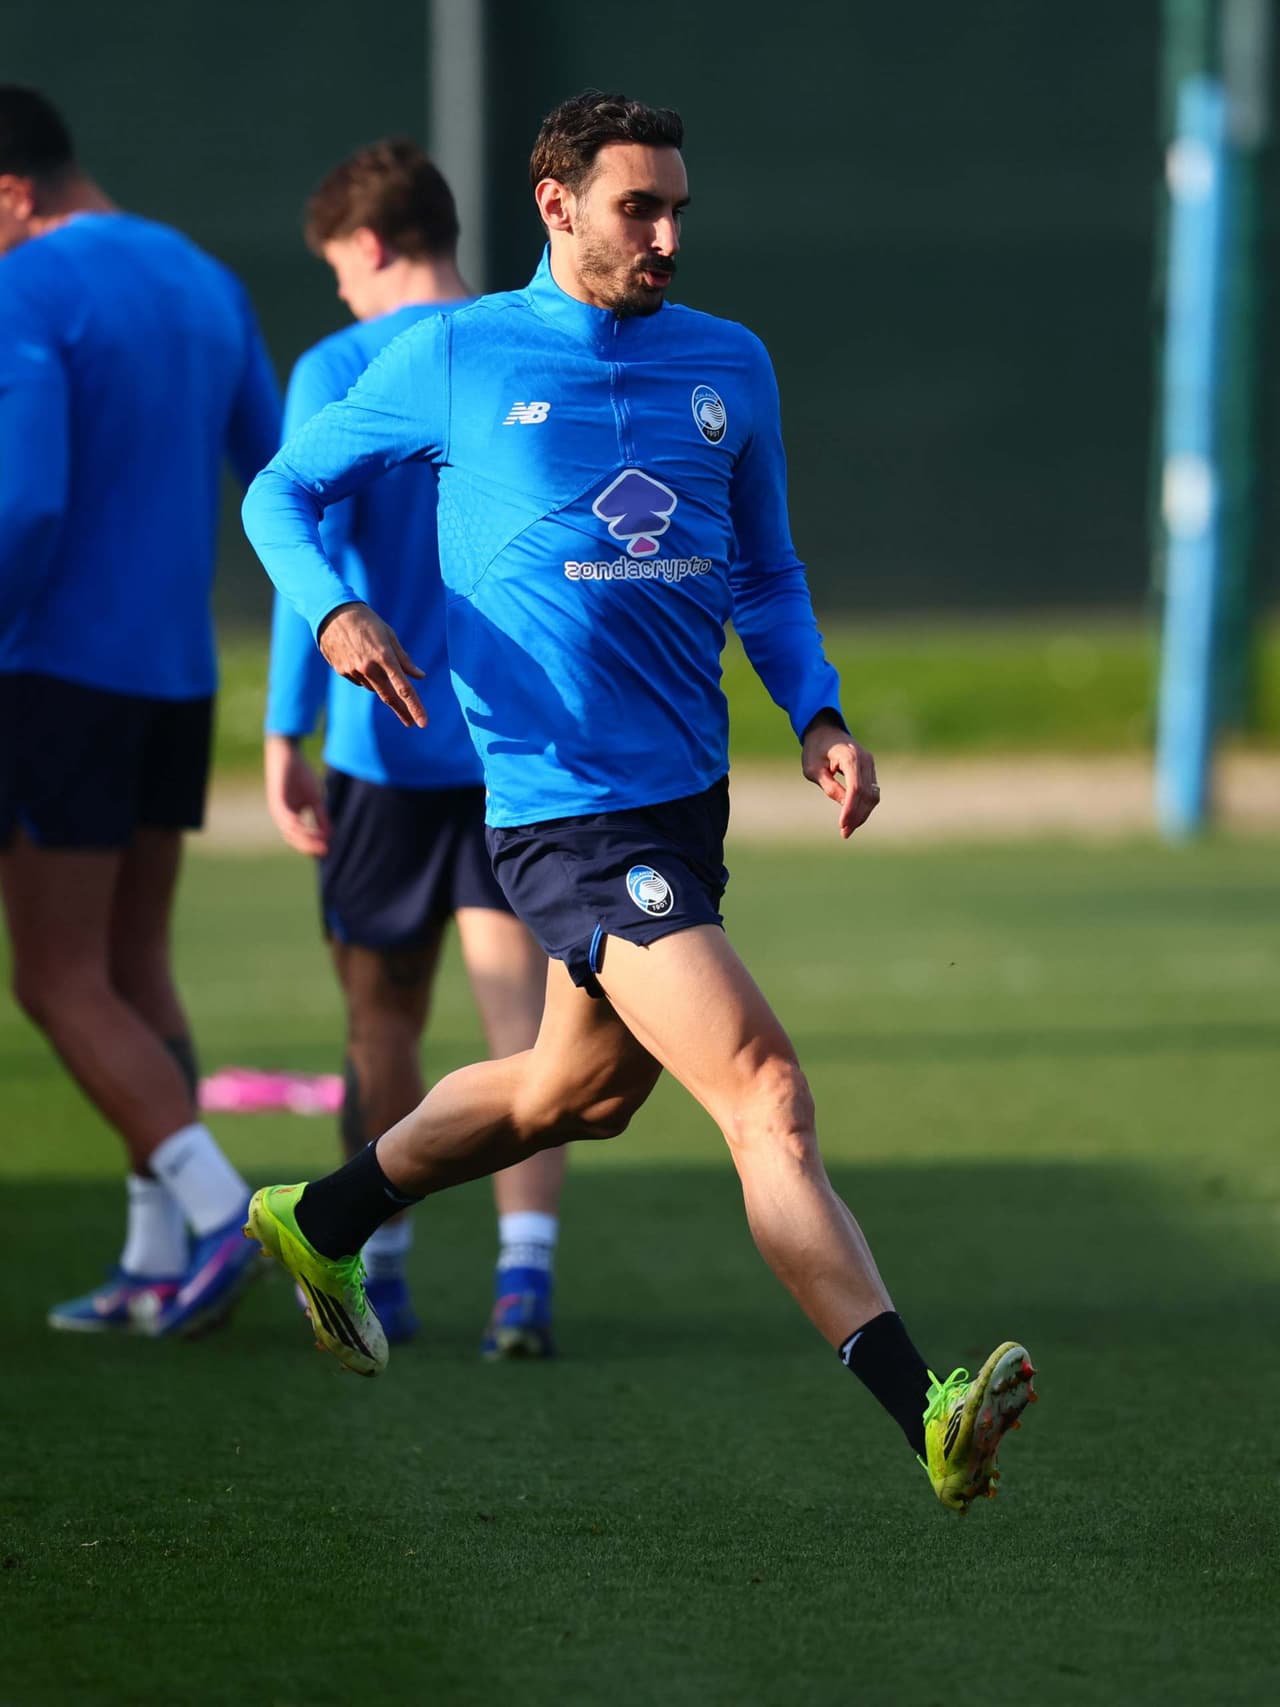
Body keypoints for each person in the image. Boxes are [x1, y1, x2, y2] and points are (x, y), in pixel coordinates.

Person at [242, 91, 1037, 1512]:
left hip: (683, 803)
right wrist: (335, 613)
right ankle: (924, 1402)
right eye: (638, 208)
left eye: (679, 207)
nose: (667, 235)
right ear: (557, 207)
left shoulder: (729, 363)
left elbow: (769, 573)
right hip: (566, 813)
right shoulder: (455, 353)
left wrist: (822, 709)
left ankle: (323, 1212)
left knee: (575, 1093)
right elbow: (279, 495)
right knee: (765, 1090)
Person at [264, 140, 563, 1355]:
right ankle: (524, 1282)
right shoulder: (521, 341)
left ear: (372, 245)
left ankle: (375, 1267)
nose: (339, 290)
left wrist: (286, 729)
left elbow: (305, 557)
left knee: (380, 1017)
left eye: (339, 264)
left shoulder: (340, 363)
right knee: (526, 1036)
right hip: (513, 751)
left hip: (380, 755)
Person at [0, 87, 280, 1337]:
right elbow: (279, 474)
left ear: (11, 195)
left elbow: (22, 507)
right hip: (176, 675)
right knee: (131, 966)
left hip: (54, 673)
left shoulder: (29, 290)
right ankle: (153, 1259)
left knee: (58, 979)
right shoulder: (207, 281)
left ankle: (223, 1214)